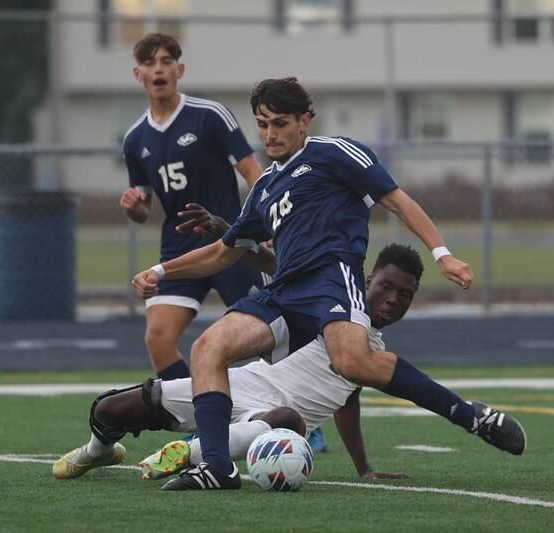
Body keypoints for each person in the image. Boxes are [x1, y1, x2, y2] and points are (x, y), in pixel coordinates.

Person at [131, 77, 526, 490]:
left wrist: (442, 254)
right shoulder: (264, 187)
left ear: (305, 121)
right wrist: (160, 272)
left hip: (331, 281)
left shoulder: (333, 153)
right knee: (208, 348)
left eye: (280, 123)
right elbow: (222, 252)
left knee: (353, 363)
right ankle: (217, 468)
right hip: (283, 292)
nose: (270, 134)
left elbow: (397, 200)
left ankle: (472, 416)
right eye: (263, 124)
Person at [53, 243, 430, 483]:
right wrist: (236, 239)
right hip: (231, 388)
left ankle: (193, 454)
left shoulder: (373, 356)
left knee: (288, 421)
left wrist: (364, 467)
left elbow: (349, 399)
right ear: (368, 280)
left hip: (273, 422)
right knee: (110, 407)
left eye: (405, 294)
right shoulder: (329, 308)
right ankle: (96, 452)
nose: (394, 298)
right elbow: (279, 263)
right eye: (387, 286)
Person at [119, 33, 264, 380]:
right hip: (179, 247)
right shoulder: (135, 139)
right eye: (150, 63)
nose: (159, 69)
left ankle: (301, 424)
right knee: (158, 339)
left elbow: (253, 173)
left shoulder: (209, 115)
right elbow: (143, 211)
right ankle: (195, 420)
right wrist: (132, 206)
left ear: (179, 70)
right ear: (138, 74)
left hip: (230, 240)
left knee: (268, 334)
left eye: (166, 61)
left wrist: (264, 226)